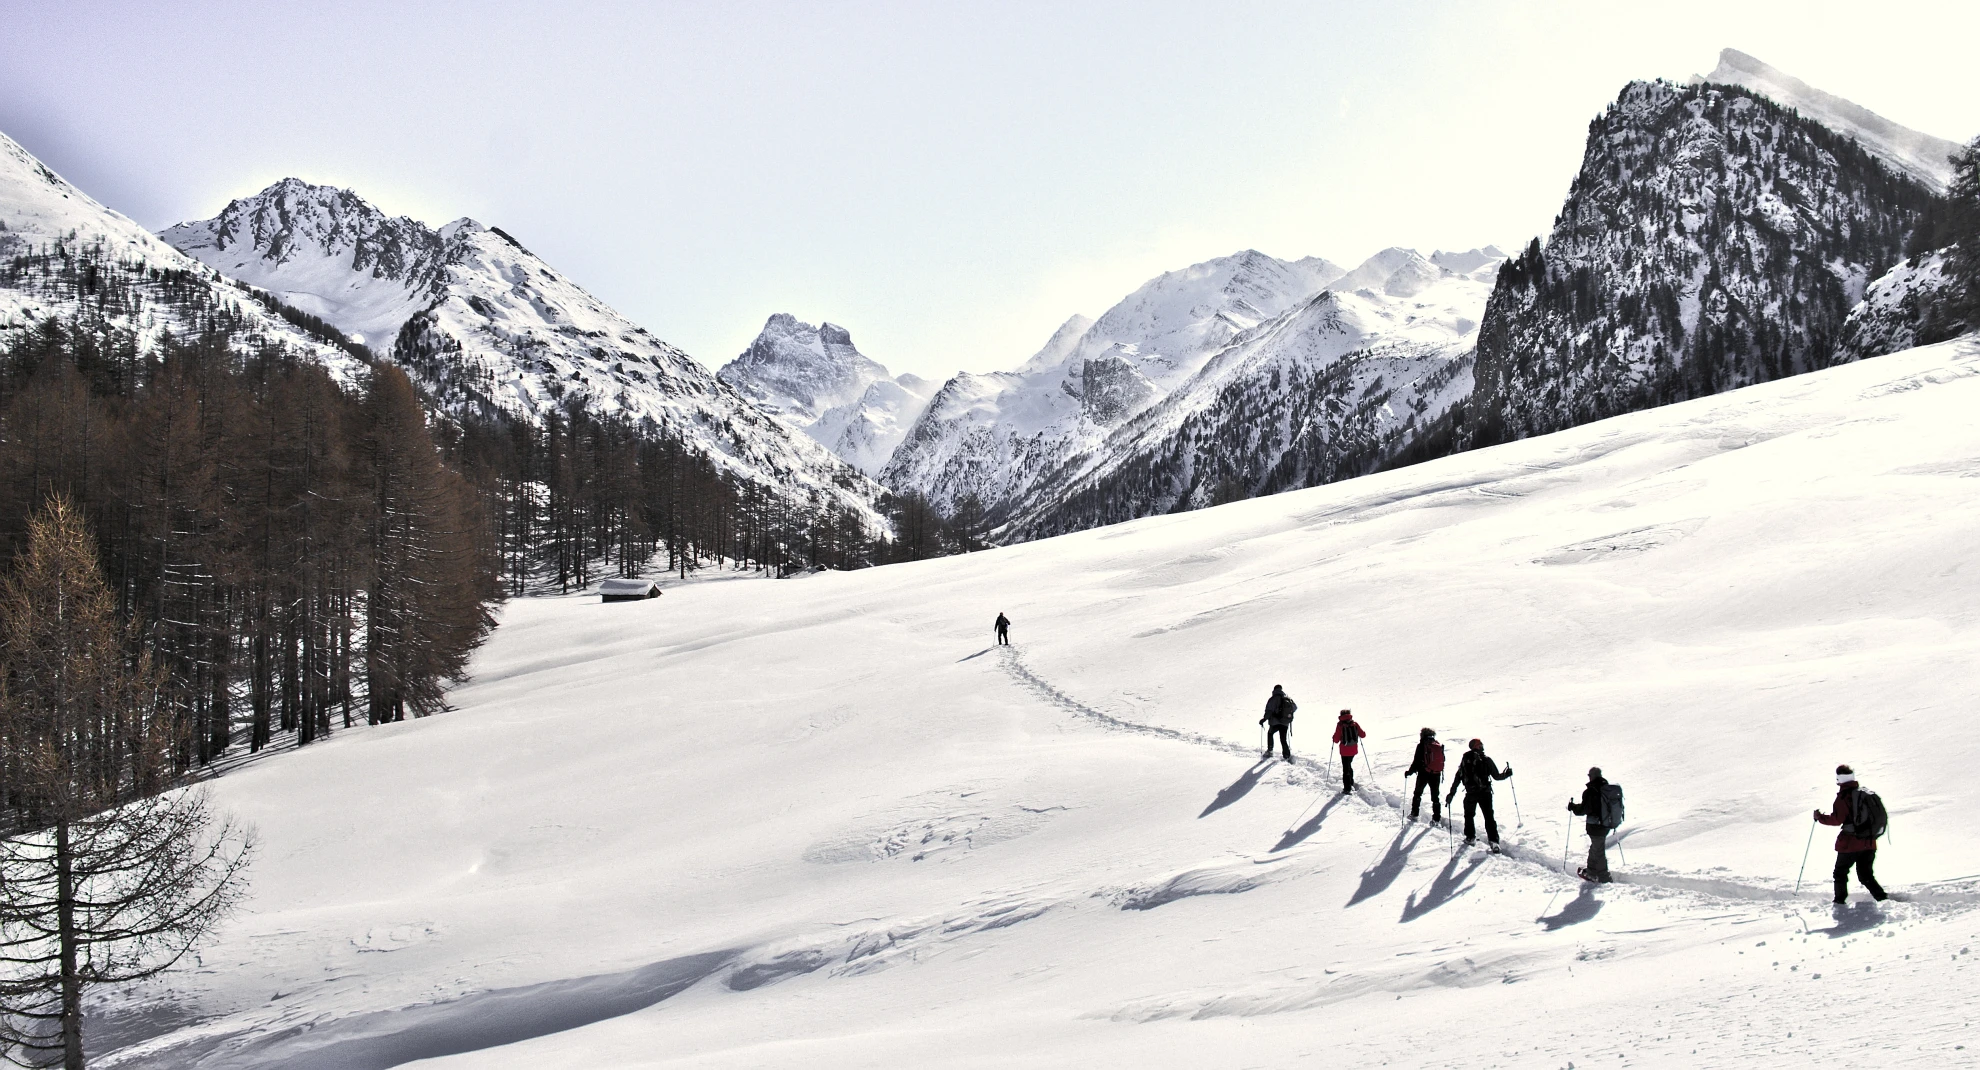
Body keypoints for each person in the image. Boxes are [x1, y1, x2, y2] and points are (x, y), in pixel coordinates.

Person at [1815, 764, 1887, 904]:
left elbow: (1837, 819)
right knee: (1866, 875)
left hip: (1850, 843)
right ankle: (1882, 898)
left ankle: (1839, 902)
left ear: (1839, 779)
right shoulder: (1863, 793)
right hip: (1869, 841)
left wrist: (1819, 817)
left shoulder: (1844, 797)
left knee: (1840, 873)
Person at [1445, 738, 1513, 851]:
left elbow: (1458, 777)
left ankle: (1470, 837)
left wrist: (1451, 794)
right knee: (1489, 817)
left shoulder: (1465, 760)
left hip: (1470, 793)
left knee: (1469, 815)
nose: (1482, 745)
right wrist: (1507, 774)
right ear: (1478, 746)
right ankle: (1494, 842)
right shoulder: (1486, 760)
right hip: (1485, 792)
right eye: (1480, 744)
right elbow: (1497, 776)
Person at [1567, 767, 1612, 882]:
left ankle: (1604, 877)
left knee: (1599, 850)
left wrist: (1573, 807)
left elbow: (1583, 809)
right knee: (1596, 847)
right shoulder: (1607, 789)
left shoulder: (1590, 791)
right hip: (1606, 824)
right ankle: (1591, 871)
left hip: (1595, 826)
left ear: (1591, 776)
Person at [1402, 727, 1445, 823]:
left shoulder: (1422, 745)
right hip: (1436, 773)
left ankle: (1414, 814)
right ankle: (1436, 819)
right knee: (1435, 796)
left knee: (1418, 793)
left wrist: (1410, 772)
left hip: (1424, 773)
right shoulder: (1437, 745)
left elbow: (1416, 761)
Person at [1259, 685, 1296, 761]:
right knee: (1283, 739)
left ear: (1274, 690)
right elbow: (1294, 707)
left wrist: (1264, 719)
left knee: (1270, 733)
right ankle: (1287, 755)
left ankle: (1270, 751)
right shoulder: (1287, 698)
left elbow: (1269, 711)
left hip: (1275, 722)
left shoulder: (1273, 699)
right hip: (1285, 723)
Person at [1332, 710, 1365, 794]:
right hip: (1353, 749)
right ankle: (1351, 782)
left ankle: (1347, 788)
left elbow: (1336, 739)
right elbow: (1363, 735)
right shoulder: (1354, 724)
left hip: (1344, 750)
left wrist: (1334, 738)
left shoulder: (1340, 725)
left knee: (1346, 768)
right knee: (1348, 765)